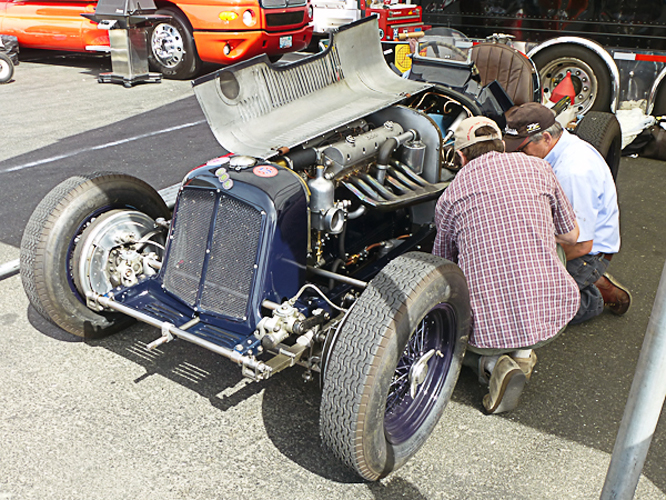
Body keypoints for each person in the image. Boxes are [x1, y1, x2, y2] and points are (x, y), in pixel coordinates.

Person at [433, 116, 581, 414]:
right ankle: (524, 355)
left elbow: (444, 266)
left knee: (451, 300)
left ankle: (493, 363)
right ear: (502, 144)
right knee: (554, 248)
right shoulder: (539, 168)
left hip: (486, 330)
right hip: (550, 311)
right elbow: (571, 235)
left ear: (461, 155)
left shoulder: (449, 196)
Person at [504, 102, 631, 323]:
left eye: (522, 149)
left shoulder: (574, 172)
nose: (517, 155)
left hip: (587, 254)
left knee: (520, 309)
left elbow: (582, 244)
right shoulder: (554, 149)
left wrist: (528, 263)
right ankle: (578, 283)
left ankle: (594, 297)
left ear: (545, 138)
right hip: (561, 237)